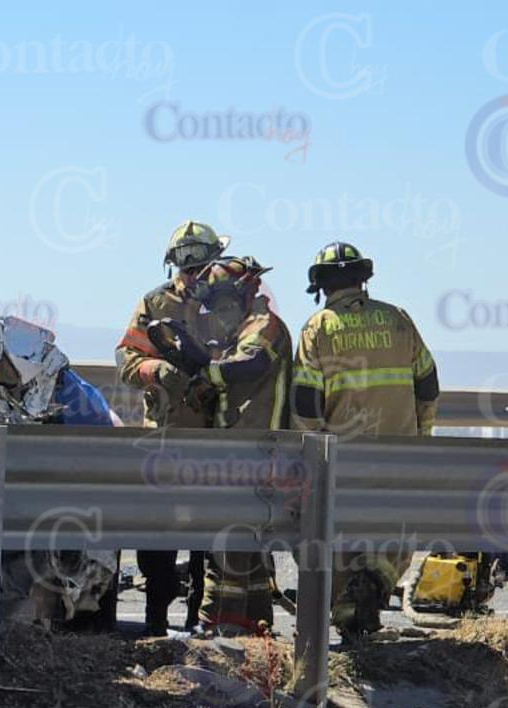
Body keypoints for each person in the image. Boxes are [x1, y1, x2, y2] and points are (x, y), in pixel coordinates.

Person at [117, 221, 291, 635]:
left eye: (204, 266)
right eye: (190, 268)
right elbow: (127, 359)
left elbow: (251, 359)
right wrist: (157, 370)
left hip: (216, 438)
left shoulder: (229, 300)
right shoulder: (155, 303)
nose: (197, 276)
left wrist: (210, 379)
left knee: (211, 540)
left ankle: (203, 624)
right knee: (158, 536)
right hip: (165, 437)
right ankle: (156, 622)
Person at [291, 241, 440, 639]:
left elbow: (305, 400)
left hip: (341, 459)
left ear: (321, 285)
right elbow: (428, 384)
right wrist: (421, 437)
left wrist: (312, 451)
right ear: (363, 278)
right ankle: (373, 590)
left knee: (340, 535)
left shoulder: (318, 327)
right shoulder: (398, 320)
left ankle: (349, 614)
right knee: (395, 533)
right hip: (400, 455)